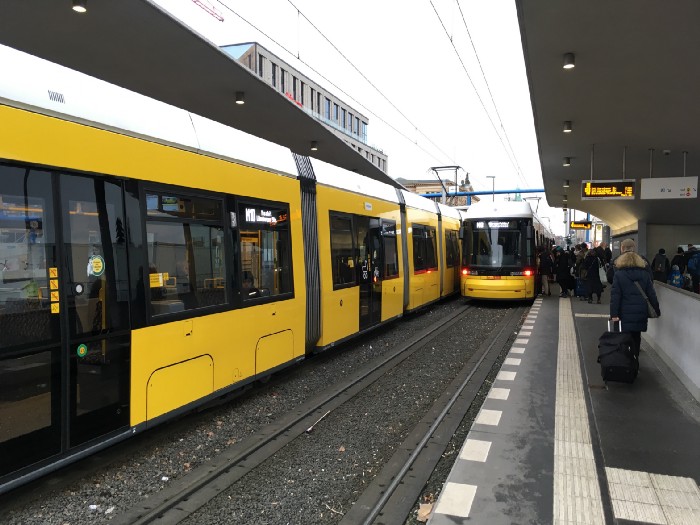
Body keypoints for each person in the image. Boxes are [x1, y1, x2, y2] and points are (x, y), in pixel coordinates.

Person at [610, 248, 661, 357]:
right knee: (636, 337)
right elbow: (651, 294)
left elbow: (615, 296)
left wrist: (614, 314)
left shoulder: (619, 275)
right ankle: (635, 361)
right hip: (640, 311)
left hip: (624, 312)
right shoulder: (645, 275)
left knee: (623, 337)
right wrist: (656, 309)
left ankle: (625, 363)